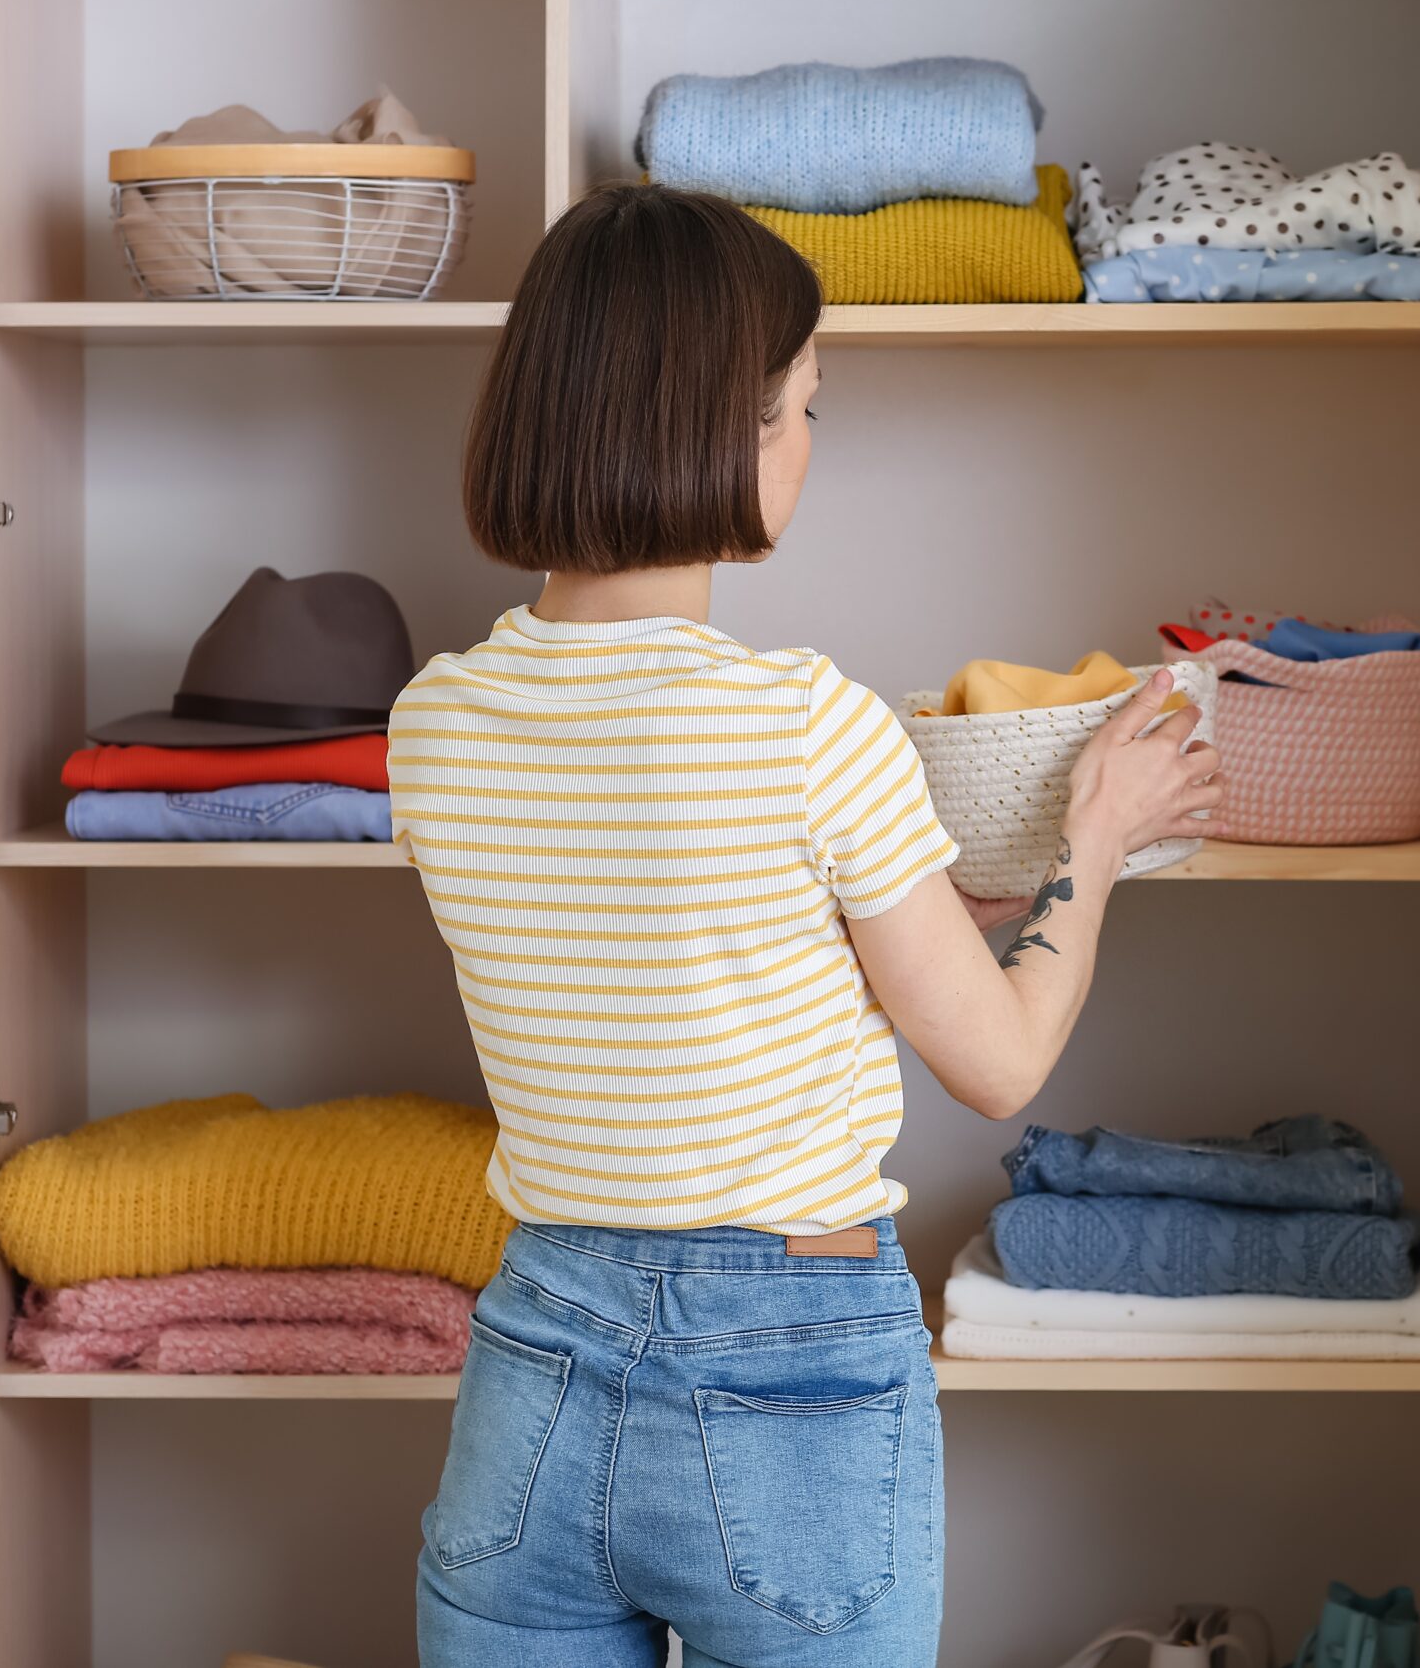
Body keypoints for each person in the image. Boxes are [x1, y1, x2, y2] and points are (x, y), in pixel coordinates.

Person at [395, 182, 1222, 1668]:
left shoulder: (436, 723)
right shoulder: (803, 724)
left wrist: (913, 899)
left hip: (534, 1363)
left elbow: (674, 936)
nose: (811, 447)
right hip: (786, 1375)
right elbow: (1001, 1064)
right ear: (728, 428)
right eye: (806, 409)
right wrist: (1097, 840)